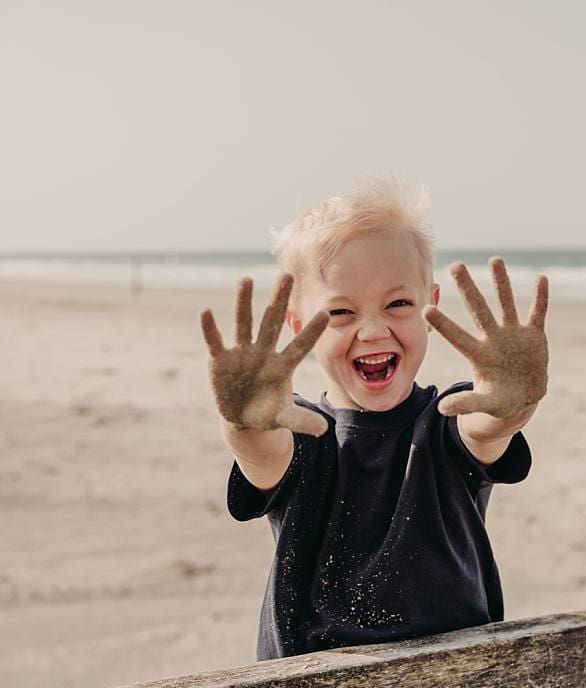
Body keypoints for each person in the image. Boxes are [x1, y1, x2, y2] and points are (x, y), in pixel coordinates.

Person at [197, 175, 551, 658]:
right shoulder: (302, 435)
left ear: (431, 304)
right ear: (299, 326)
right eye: (340, 312)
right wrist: (244, 422)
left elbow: (488, 426)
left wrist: (512, 402)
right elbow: (261, 452)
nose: (371, 329)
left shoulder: (447, 422)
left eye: (398, 303)